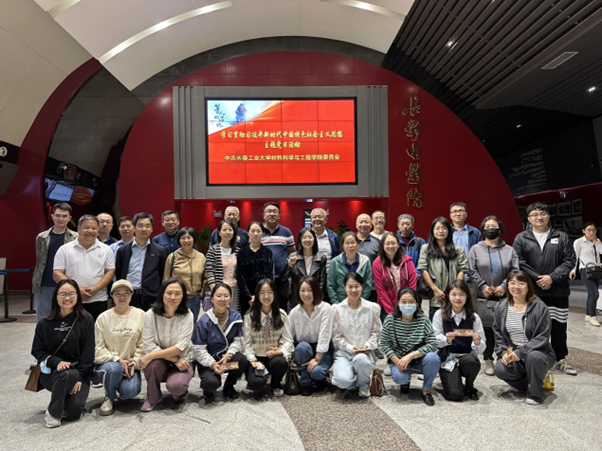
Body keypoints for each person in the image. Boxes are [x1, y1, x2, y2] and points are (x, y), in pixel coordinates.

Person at [513, 202, 577, 375]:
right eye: (534, 214)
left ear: (548, 216)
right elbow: (519, 261)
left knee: (558, 327)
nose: (539, 217)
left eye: (542, 213)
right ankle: (533, 358)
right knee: (532, 327)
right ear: (529, 218)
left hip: (558, 290)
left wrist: (552, 278)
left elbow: (569, 260)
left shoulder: (561, 236)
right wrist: (538, 278)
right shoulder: (522, 238)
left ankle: (560, 359)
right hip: (532, 292)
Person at [31, 279, 95, 428]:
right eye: (63, 294)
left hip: (78, 373)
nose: (67, 298)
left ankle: (60, 401)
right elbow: (37, 350)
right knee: (67, 374)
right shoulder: (45, 323)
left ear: (77, 296)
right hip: (51, 373)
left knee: (73, 411)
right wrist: (56, 362)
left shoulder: (86, 319)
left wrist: (80, 377)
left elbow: (88, 352)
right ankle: (53, 413)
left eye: (71, 294)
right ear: (56, 296)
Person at [493, 270, 556, 406]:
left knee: (534, 358)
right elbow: (498, 334)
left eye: (521, 283)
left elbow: (542, 337)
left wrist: (521, 352)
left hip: (539, 351)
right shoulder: (501, 306)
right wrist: (504, 352)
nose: (516, 287)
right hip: (514, 351)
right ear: (507, 285)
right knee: (499, 368)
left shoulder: (539, 307)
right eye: (512, 283)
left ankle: (535, 394)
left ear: (528, 287)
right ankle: (533, 382)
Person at [468, 216, 519, 375]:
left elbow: (515, 270)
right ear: (483, 230)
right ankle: (488, 358)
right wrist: (483, 286)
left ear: (499, 229)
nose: (491, 229)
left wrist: (504, 286)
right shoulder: (475, 249)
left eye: (494, 226)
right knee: (487, 328)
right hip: (483, 295)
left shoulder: (509, 250)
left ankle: (505, 357)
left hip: (505, 295)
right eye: (487, 226)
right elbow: (472, 270)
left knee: (505, 328)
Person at [140, 279, 194, 412]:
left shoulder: (188, 315)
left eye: (178, 293)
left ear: (183, 296)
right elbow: (149, 344)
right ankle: (153, 397)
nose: (173, 297)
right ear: (162, 294)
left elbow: (180, 347)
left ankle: (181, 393)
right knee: (152, 365)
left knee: (177, 386)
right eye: (169, 293)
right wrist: (174, 359)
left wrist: (151, 355)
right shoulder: (150, 314)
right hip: (168, 360)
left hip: (183, 359)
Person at [380, 287, 440, 406]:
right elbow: (384, 343)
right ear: (398, 303)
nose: (407, 305)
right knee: (400, 378)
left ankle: (426, 390)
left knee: (433, 358)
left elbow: (433, 343)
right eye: (403, 301)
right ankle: (405, 383)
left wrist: (411, 356)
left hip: (419, 359)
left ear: (417, 303)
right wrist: (397, 362)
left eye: (411, 301)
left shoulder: (423, 320)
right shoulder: (390, 320)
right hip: (399, 359)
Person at [94, 279, 144, 416]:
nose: (122, 297)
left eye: (126, 293)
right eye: (118, 294)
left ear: (132, 295)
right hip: (109, 363)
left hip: (130, 364)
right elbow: (98, 347)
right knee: (114, 369)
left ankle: (119, 386)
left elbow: (143, 344)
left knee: (130, 391)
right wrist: (117, 360)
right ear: (112, 296)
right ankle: (109, 396)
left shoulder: (141, 315)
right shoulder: (103, 318)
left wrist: (134, 362)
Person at [192, 283, 249, 403]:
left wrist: (228, 355)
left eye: (226, 296)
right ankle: (209, 387)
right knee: (211, 384)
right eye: (218, 296)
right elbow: (198, 349)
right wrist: (212, 363)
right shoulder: (203, 321)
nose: (222, 299)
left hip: (226, 362)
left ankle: (229, 386)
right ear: (212, 299)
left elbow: (239, 341)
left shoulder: (236, 316)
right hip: (209, 363)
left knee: (242, 360)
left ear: (230, 298)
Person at [53, 215, 115, 320]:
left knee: (97, 328)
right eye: (86, 227)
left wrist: (95, 289)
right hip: (71, 299)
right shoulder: (64, 249)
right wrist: (77, 290)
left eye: (94, 228)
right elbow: (57, 273)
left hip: (98, 298)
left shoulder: (106, 249)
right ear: (78, 229)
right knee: (72, 328)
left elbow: (110, 272)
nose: (90, 231)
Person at [432, 280, 485, 401]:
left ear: (467, 296)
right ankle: (453, 382)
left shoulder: (474, 317)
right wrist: (446, 339)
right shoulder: (439, 314)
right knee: (455, 395)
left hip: (467, 358)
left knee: (472, 361)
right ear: (448, 295)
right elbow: (434, 340)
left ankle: (469, 386)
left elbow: (483, 347)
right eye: (454, 294)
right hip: (448, 359)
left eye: (461, 294)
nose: (458, 298)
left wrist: (477, 343)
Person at [331, 273, 381, 398]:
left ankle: (364, 384)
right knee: (343, 381)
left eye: (357, 286)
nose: (354, 290)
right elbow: (336, 336)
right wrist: (350, 348)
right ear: (344, 287)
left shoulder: (372, 308)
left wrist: (368, 345)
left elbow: (376, 331)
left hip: (365, 353)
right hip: (344, 353)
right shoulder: (337, 309)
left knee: (361, 359)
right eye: (350, 286)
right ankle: (352, 380)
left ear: (362, 287)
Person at [243, 279, 293, 397]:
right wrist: (254, 361)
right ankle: (258, 379)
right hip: (256, 357)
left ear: (274, 294)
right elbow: (247, 344)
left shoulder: (281, 315)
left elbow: (288, 340)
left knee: (281, 362)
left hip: (273, 357)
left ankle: (275, 384)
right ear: (257, 295)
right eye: (262, 293)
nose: (266, 296)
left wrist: (280, 351)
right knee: (256, 385)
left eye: (270, 292)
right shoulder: (249, 317)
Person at [288, 276, 334, 396]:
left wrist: (317, 359)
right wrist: (287, 355)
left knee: (317, 372)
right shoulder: (294, 312)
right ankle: (305, 382)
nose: (306, 294)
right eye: (302, 290)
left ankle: (320, 379)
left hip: (323, 350)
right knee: (302, 347)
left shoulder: (326, 308)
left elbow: (325, 335)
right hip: (304, 350)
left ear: (316, 291)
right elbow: (288, 336)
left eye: (310, 290)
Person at [33, 202, 78, 323]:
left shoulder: (75, 238)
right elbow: (40, 260)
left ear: (69, 218)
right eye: (57, 215)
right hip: (45, 284)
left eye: (64, 216)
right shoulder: (41, 237)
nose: (60, 219)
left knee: (67, 318)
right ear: (52, 216)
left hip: (67, 283)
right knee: (43, 320)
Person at [417, 217, 468, 320]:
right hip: (436, 295)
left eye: (444, 228)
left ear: (449, 231)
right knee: (435, 324)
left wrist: (454, 289)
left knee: (454, 324)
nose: (441, 231)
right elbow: (423, 269)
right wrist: (435, 289)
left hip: (455, 296)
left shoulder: (458, 249)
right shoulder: (426, 248)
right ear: (432, 231)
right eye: (437, 228)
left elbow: (462, 270)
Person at [115, 212, 167, 312]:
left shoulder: (160, 251)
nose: (144, 229)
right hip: (129, 296)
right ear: (134, 228)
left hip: (151, 298)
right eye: (140, 226)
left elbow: (162, 274)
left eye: (147, 226)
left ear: (151, 229)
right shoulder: (122, 251)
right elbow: (119, 274)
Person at [164, 227, 206, 323]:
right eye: (183, 238)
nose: (186, 241)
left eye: (189, 237)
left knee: (192, 325)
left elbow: (205, 277)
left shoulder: (201, 257)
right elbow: (166, 279)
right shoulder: (173, 257)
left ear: (194, 239)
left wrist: (201, 293)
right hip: (176, 298)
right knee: (175, 325)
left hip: (195, 299)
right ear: (179, 240)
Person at [373, 231, 418, 322]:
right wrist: (391, 312)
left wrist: (406, 304)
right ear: (382, 246)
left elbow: (412, 285)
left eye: (393, 243)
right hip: (386, 308)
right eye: (387, 243)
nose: (390, 246)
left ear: (398, 245)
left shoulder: (407, 261)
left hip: (406, 306)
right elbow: (380, 290)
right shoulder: (377, 264)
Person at [280, 228, 327, 312]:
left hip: (314, 300)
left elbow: (322, 282)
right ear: (300, 240)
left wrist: (315, 297)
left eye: (310, 237)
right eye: (304, 237)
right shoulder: (293, 256)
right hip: (295, 300)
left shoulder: (321, 258)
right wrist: (289, 265)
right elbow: (283, 278)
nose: (307, 240)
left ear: (314, 239)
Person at [236, 221, 274, 314]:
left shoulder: (268, 252)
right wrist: (249, 297)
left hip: (265, 295)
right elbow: (240, 276)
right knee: (247, 319)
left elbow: (271, 275)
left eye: (258, 231)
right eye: (253, 231)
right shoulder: (242, 252)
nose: (255, 234)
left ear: (263, 233)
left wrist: (266, 293)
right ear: (248, 233)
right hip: (246, 296)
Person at [570, 222, 602, 327]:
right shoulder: (579, 242)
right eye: (589, 230)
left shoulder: (597, 241)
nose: (591, 232)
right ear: (584, 231)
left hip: (596, 270)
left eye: (593, 230)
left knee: (591, 293)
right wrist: (573, 270)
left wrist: (597, 242)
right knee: (595, 293)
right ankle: (592, 316)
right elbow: (575, 257)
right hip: (585, 270)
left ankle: (588, 315)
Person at [328, 231, 373, 304]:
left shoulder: (365, 261)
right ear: (342, 245)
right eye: (347, 243)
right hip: (340, 302)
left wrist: (360, 302)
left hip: (360, 302)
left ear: (357, 243)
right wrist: (337, 304)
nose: (350, 246)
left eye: (353, 242)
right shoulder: (335, 262)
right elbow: (331, 285)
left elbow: (368, 285)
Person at [261, 202, 295, 299]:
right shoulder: (258, 231)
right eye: (269, 211)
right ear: (264, 215)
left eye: (275, 211)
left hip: (282, 277)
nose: (272, 214)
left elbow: (292, 252)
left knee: (282, 303)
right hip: (263, 277)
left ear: (279, 215)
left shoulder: (286, 232)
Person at [206, 220, 240, 311]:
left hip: (235, 290)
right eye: (224, 230)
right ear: (219, 232)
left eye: (230, 229)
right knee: (220, 314)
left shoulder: (238, 251)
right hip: (220, 290)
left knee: (234, 314)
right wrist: (215, 290)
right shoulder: (213, 250)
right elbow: (209, 272)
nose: (227, 232)